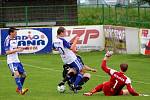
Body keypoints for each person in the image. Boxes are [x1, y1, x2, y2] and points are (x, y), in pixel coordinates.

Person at [53, 26, 84, 93]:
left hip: (64, 59)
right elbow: (71, 48)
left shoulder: (55, 40)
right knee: (81, 71)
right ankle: (74, 85)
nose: (66, 33)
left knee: (73, 70)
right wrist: (76, 40)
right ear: (61, 33)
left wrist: (65, 49)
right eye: (65, 32)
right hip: (71, 58)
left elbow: (54, 49)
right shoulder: (62, 40)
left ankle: (64, 81)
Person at [4, 27, 28, 95]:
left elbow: (15, 48)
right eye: (15, 32)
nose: (16, 33)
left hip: (17, 60)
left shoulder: (15, 39)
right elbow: (7, 52)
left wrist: (22, 48)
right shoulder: (7, 40)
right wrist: (17, 50)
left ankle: (18, 88)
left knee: (24, 75)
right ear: (11, 33)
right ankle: (21, 90)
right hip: (11, 61)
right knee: (16, 74)